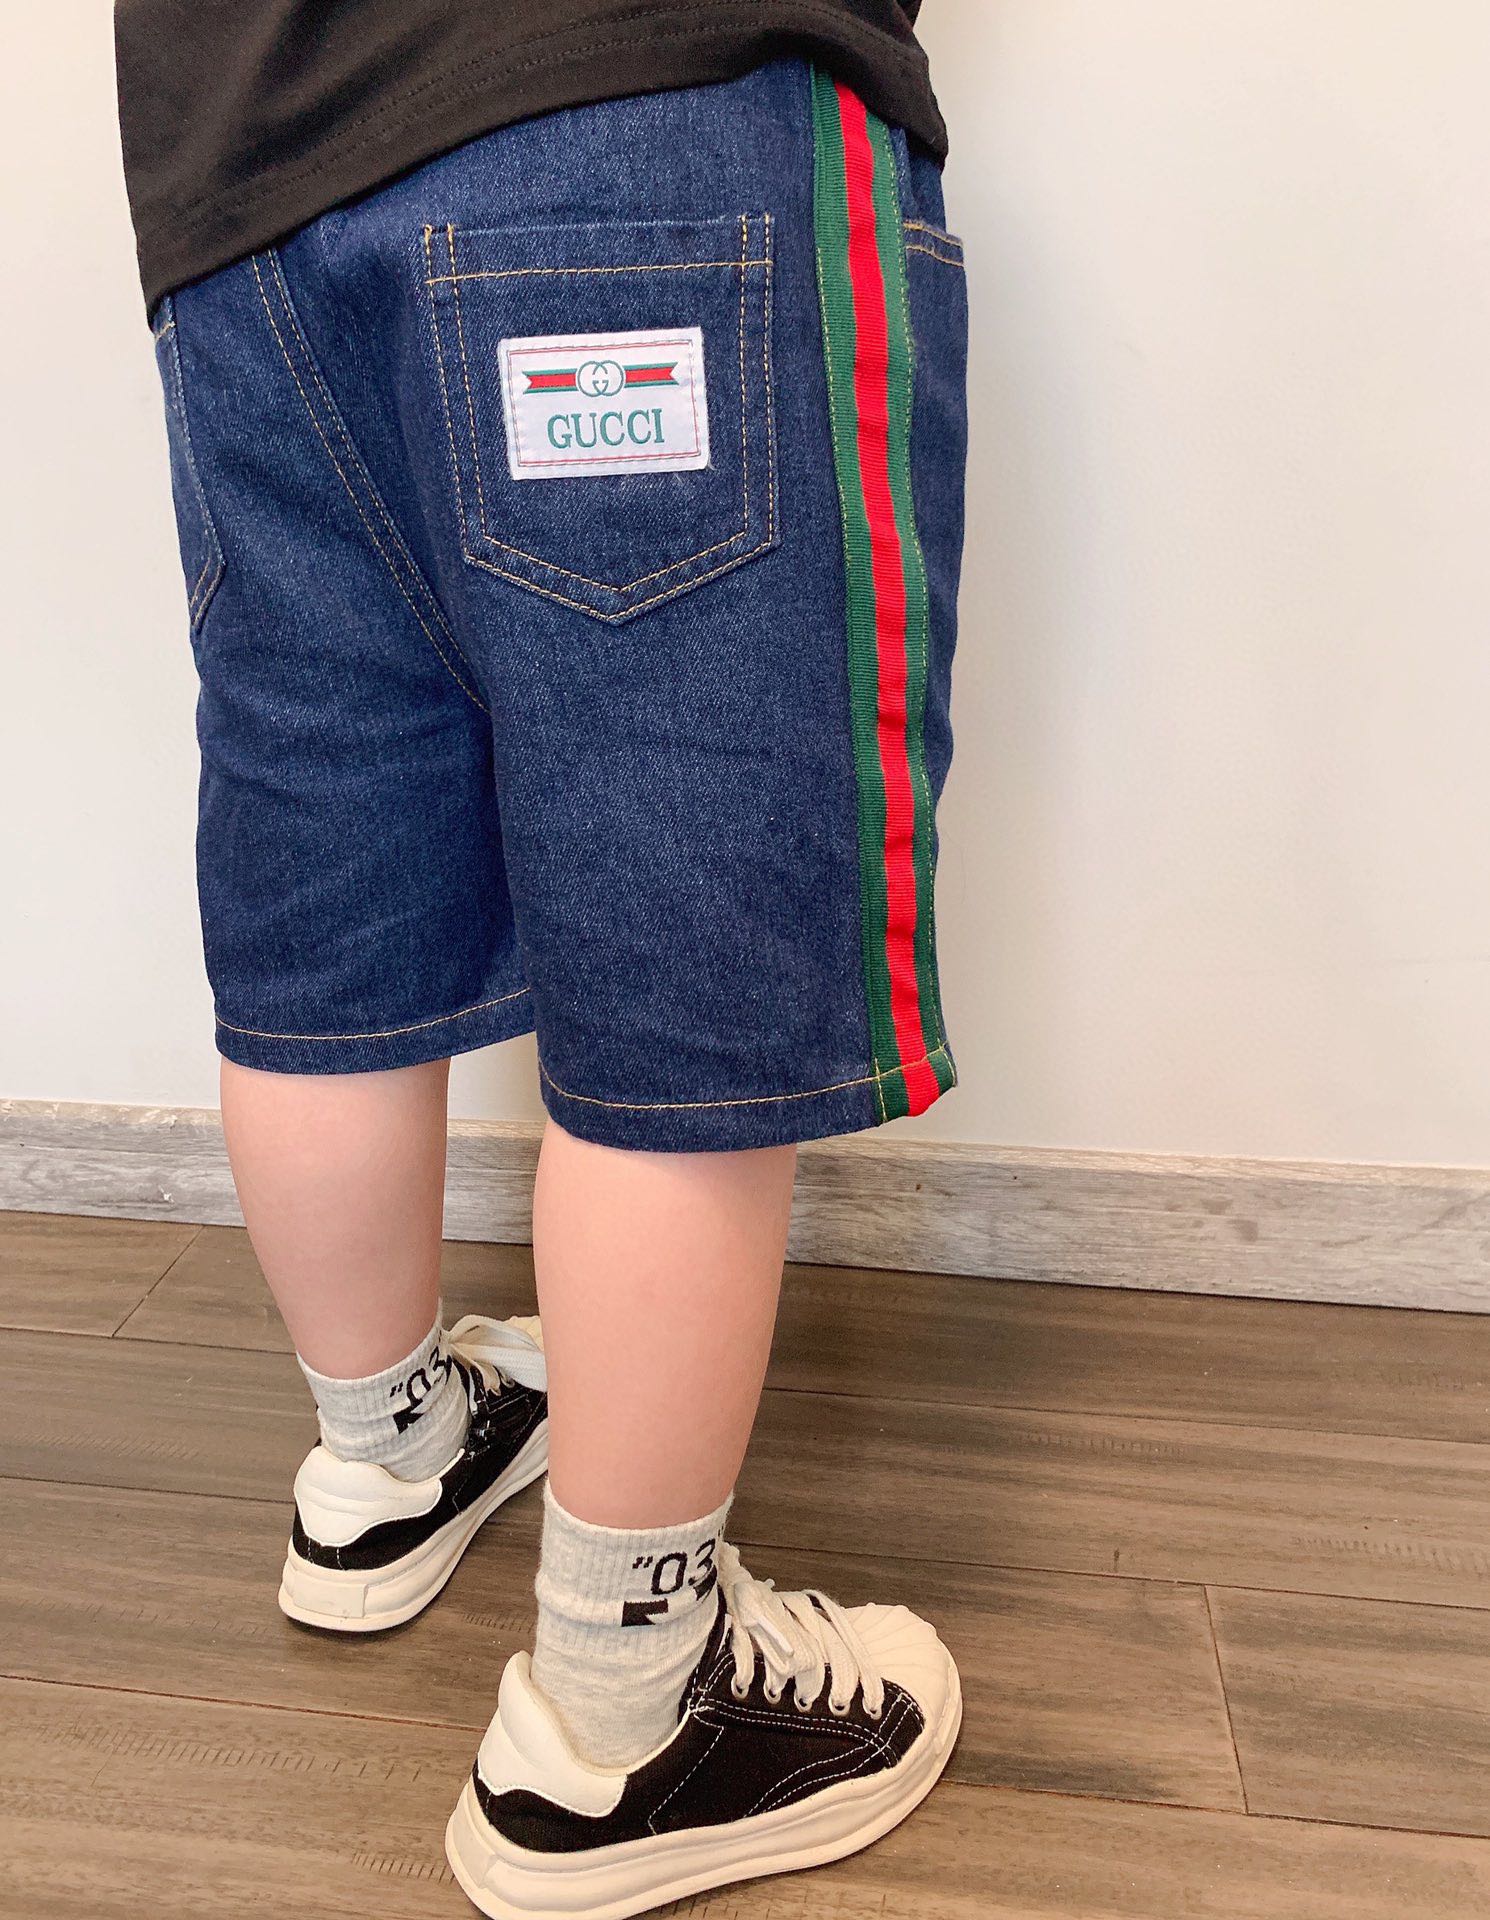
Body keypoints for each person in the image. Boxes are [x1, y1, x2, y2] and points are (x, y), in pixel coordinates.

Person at [116, 4, 968, 1913]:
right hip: (626, 106)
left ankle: (386, 1458)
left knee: (328, 884)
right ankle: (625, 1715)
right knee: (685, 938)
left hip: (239, 202)